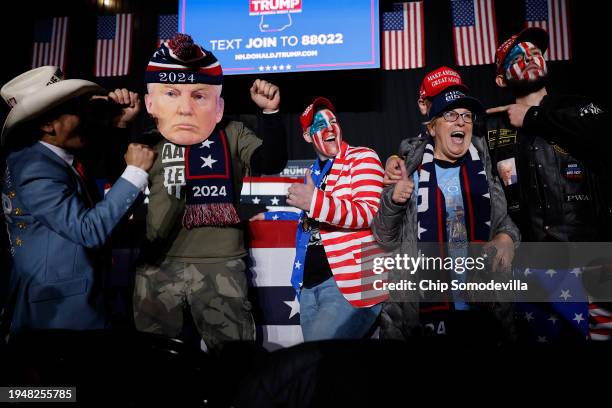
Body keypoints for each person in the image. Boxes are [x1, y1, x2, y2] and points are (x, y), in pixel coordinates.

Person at [133, 34, 287, 350]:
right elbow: (112, 171)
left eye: (199, 96)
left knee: (235, 364)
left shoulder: (232, 132)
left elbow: (271, 161)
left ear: (218, 106)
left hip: (221, 262)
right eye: (172, 94)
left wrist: (270, 114)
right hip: (158, 266)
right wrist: (119, 127)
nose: (186, 108)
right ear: (152, 103)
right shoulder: (150, 139)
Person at [0, 66, 154, 337]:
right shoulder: (35, 169)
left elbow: (104, 174)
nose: (85, 117)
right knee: (63, 382)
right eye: (75, 110)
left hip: (74, 308)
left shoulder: (50, 156)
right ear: (47, 125)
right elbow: (88, 230)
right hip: (59, 318)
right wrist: (136, 172)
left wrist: (120, 123)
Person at [485, 27, 611, 342]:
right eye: (518, 56)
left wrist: (533, 117)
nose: (529, 58)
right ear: (501, 79)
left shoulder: (579, 107)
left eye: (535, 52)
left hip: (593, 263)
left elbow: (604, 137)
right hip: (532, 271)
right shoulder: (492, 128)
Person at [372, 88, 520, 341]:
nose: (461, 121)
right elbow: (384, 238)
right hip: (425, 312)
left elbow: (505, 221)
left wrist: (506, 236)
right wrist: (395, 201)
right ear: (431, 128)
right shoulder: (408, 173)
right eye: (450, 115)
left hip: (485, 308)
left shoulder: (485, 172)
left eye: (466, 115)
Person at [286, 97, 386, 341]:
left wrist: (314, 202)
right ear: (308, 136)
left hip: (349, 284)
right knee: (325, 373)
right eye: (320, 124)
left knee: (318, 362)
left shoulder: (362, 157)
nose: (330, 127)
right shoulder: (313, 174)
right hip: (309, 287)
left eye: (333, 121)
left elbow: (369, 212)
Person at [384, 66, 468, 186]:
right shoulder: (411, 151)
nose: (451, 103)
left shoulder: (480, 140)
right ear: (423, 105)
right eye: (441, 100)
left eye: (458, 98)